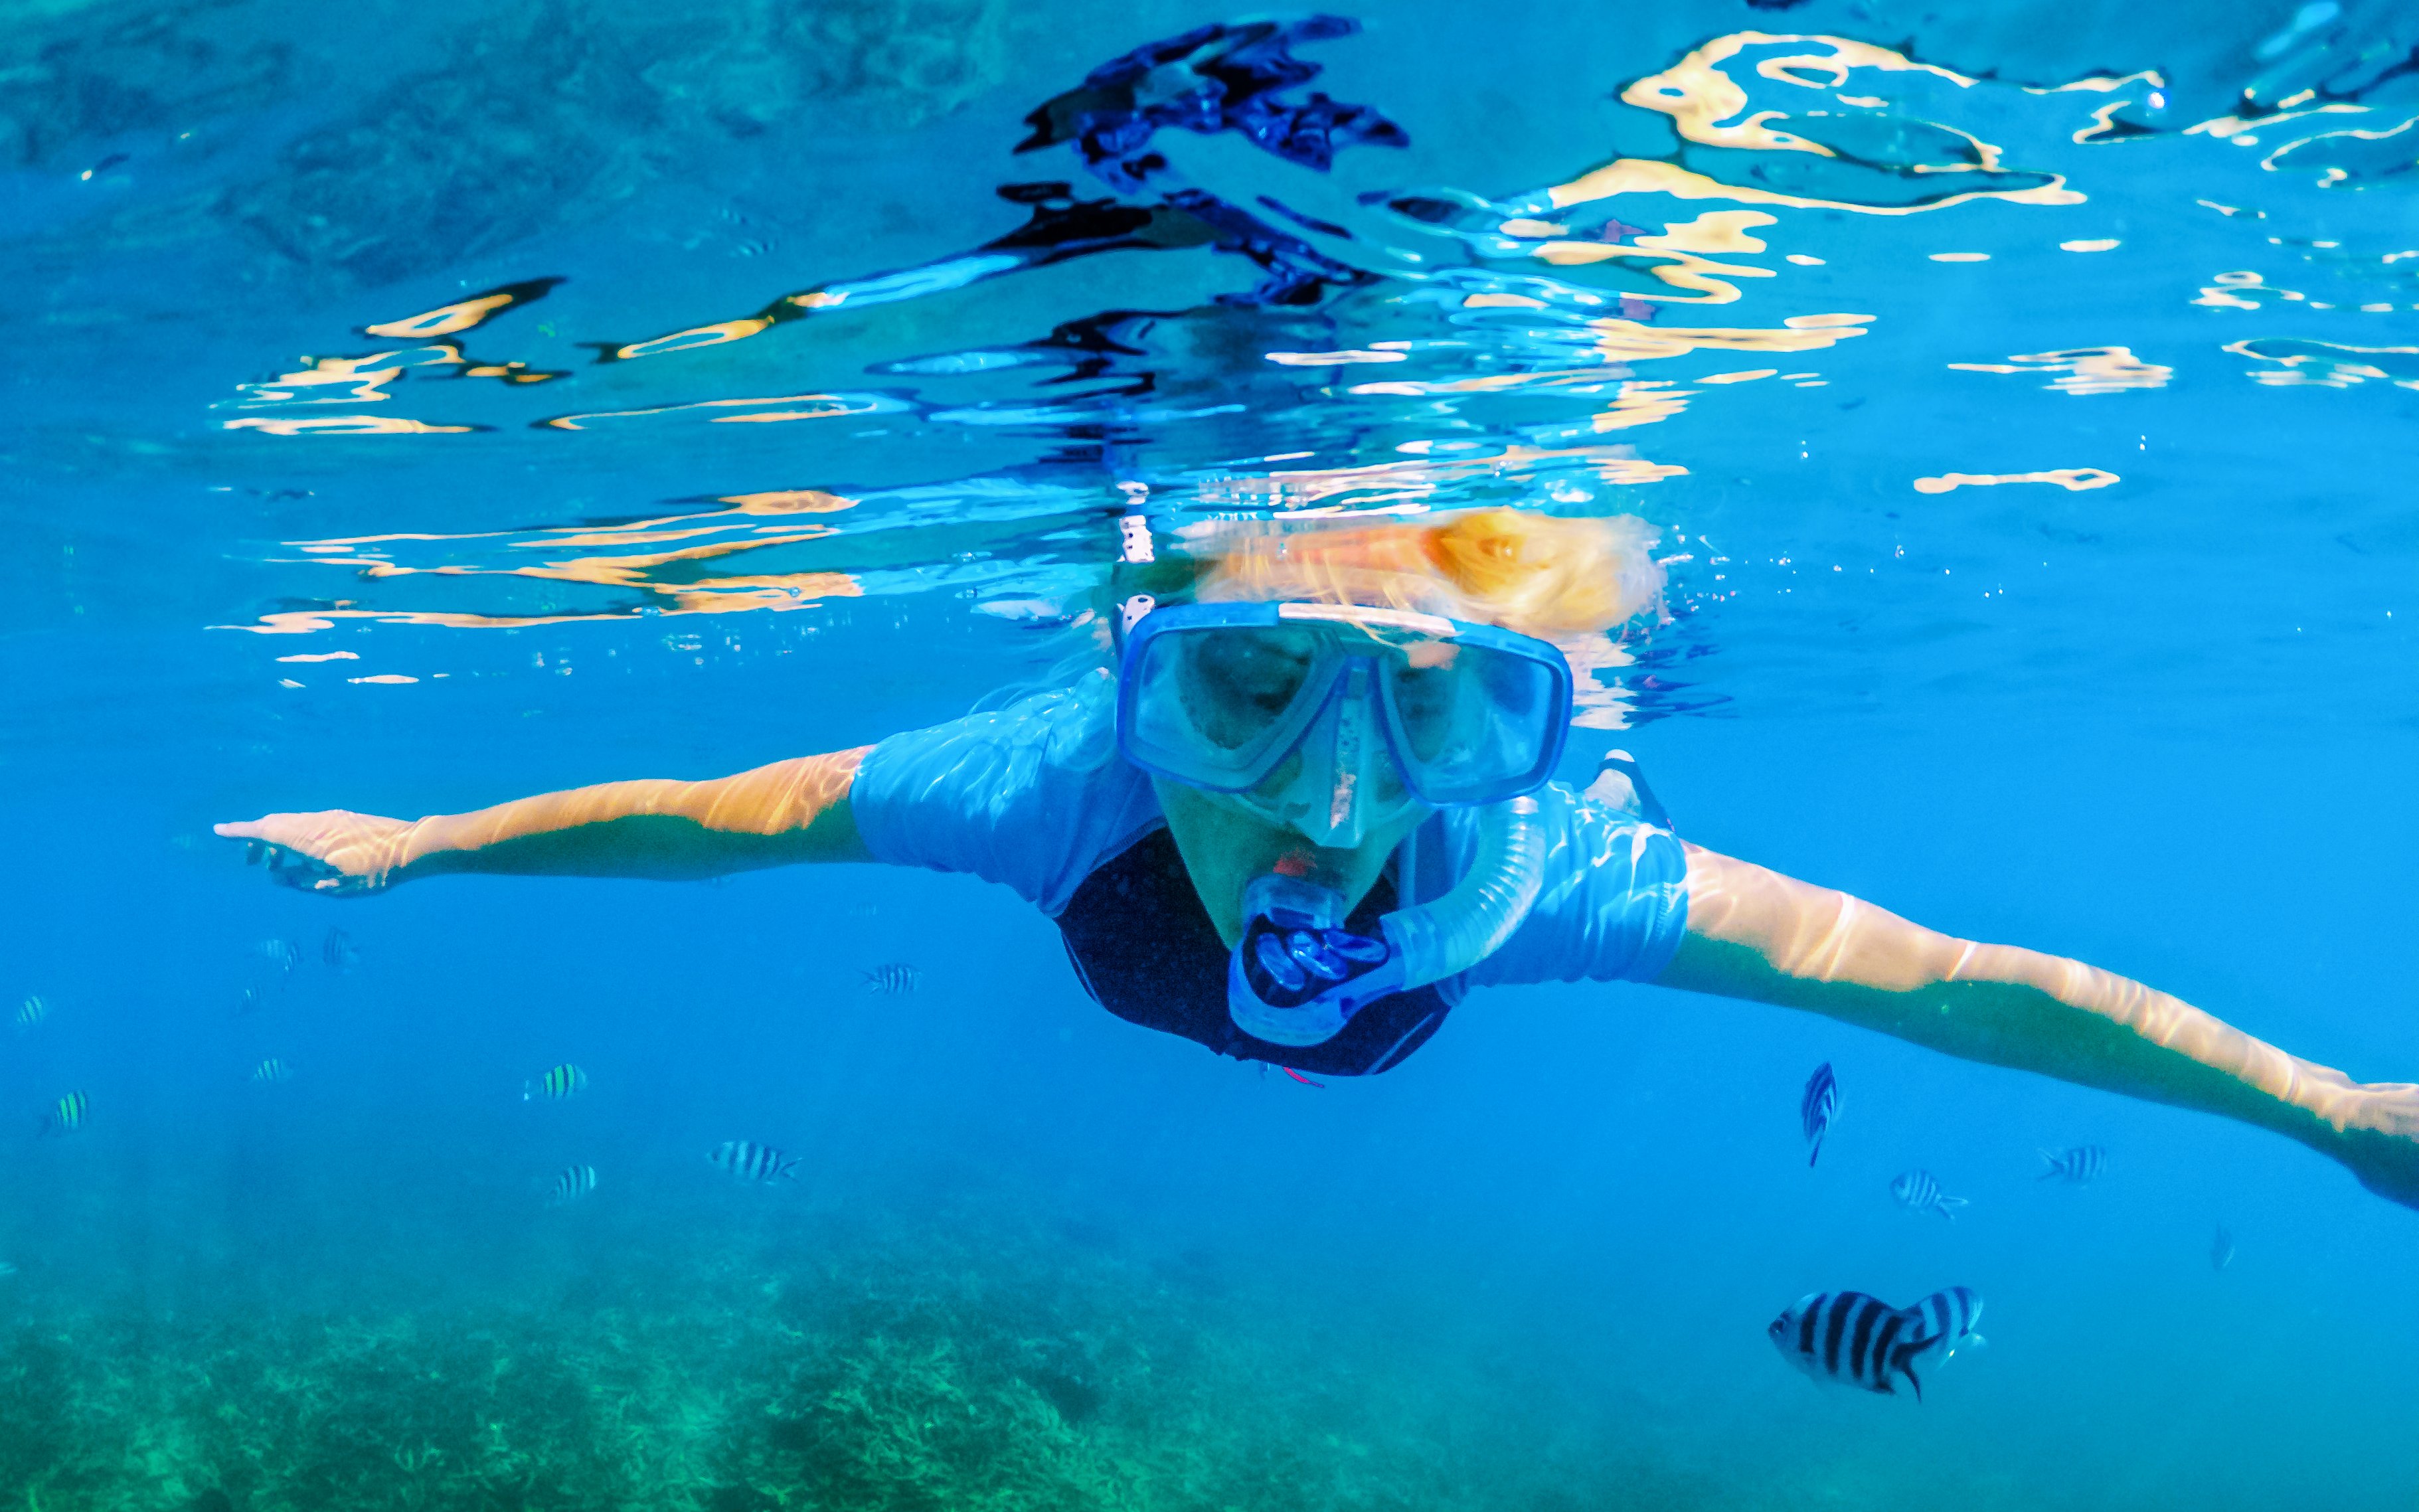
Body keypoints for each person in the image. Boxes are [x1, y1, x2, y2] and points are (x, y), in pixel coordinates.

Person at [218, 507, 2419, 1208]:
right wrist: (416, 840)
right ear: (1131, 676)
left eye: (1450, 700)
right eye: (1246, 687)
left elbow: (1942, 981)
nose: (1334, 796)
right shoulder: (1048, 782)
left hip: (1402, 984)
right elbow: (712, 820)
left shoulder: (1546, 873)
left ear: (1529, 713)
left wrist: (2322, 1110)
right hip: (1150, 945)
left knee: (1499, 860)